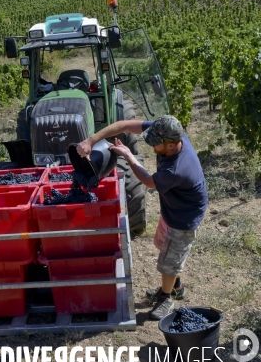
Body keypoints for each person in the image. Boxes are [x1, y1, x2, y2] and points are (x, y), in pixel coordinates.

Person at [77, 115, 208, 320]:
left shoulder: (176, 170)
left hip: (183, 217)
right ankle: (176, 285)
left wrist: (128, 155)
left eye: (156, 145)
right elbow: (125, 124)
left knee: (169, 261)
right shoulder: (168, 131)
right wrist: (91, 140)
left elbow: (147, 181)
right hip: (172, 207)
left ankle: (166, 297)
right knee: (164, 246)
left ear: (171, 146)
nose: (152, 147)